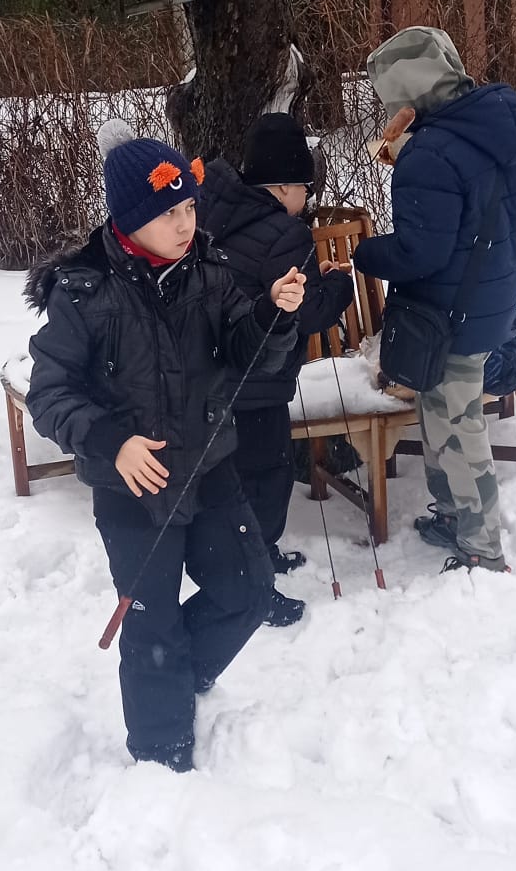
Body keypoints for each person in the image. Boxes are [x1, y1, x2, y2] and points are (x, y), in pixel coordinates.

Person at [24, 119, 306, 772]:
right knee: (151, 622)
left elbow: (246, 351)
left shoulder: (208, 270)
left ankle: (182, 675)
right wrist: (111, 441)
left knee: (248, 590)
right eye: (168, 213)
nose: (185, 224)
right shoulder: (84, 290)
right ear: (130, 219)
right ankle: (160, 753)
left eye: (189, 208)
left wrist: (272, 314)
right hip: (133, 488)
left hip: (209, 468)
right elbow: (50, 392)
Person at [354, 27, 516, 573]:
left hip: (449, 310)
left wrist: (366, 254)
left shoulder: (429, 152)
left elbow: (420, 252)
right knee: (441, 416)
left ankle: (482, 546)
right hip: (485, 299)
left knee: (457, 426)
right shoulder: (489, 128)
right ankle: (455, 518)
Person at [199, 112, 355, 625]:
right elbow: (307, 312)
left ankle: (257, 558)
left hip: (215, 375)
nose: (306, 199)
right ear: (284, 185)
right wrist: (338, 285)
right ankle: (254, 588)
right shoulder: (285, 233)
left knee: (239, 477)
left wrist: (311, 278)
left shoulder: (213, 211)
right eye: (304, 188)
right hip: (258, 381)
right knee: (265, 481)